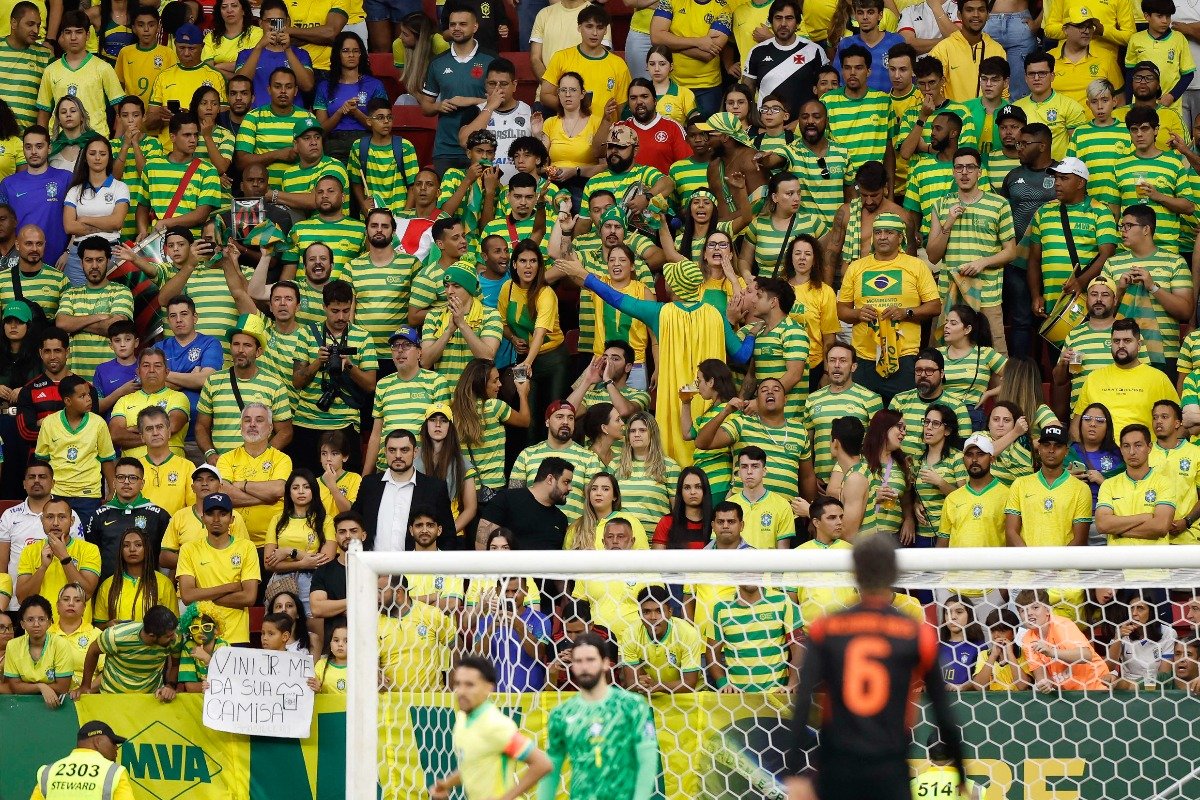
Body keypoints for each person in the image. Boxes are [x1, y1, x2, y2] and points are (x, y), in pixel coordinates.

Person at [785, 535, 965, 800]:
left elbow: (803, 700)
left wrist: (794, 772)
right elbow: (942, 710)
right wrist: (960, 771)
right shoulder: (915, 633)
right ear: (894, 573)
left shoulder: (827, 627)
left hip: (838, 765)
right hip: (889, 764)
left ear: (854, 573)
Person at [537, 632, 658, 800]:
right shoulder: (561, 714)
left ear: (606, 663)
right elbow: (551, 769)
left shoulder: (632, 706)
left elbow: (647, 759)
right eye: (578, 661)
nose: (584, 666)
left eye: (591, 660)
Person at [835, 213, 940, 403]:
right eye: (878, 232)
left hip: (904, 356)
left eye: (889, 232)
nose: (882, 237)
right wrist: (857, 314)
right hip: (864, 356)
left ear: (900, 237)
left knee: (903, 416)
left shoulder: (916, 266)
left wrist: (907, 312)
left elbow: (935, 306)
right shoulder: (856, 267)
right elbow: (841, 310)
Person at [430, 656, 553, 800]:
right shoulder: (462, 718)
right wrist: (446, 784)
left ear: (489, 688)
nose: (461, 691)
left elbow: (542, 764)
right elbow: (473, 764)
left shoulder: (496, 725)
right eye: (458, 683)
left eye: (469, 685)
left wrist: (506, 798)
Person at [290, 280, 376, 474]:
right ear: (324, 307)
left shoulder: (363, 337)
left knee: (345, 486)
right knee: (306, 484)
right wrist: (317, 362)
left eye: (346, 310)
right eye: (335, 311)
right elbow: (297, 382)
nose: (341, 317)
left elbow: (370, 386)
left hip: (345, 423)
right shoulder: (307, 333)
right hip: (307, 422)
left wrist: (350, 367)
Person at [1027, 156, 1120, 323]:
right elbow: (1033, 259)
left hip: (1086, 301)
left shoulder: (1100, 211)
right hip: (1052, 304)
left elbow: (1107, 255)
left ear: (1080, 183)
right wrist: (1036, 296)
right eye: (1055, 178)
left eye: (1064, 178)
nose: (1057, 183)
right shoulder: (1043, 211)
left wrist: (1080, 282)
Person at [1103, 204, 1192, 372]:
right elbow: (1102, 314)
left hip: (1166, 354)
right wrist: (1120, 290)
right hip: (1122, 354)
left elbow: (1186, 311)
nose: (1122, 231)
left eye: (1128, 226)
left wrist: (1153, 287)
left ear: (1146, 229)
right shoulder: (1112, 263)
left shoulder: (1174, 262)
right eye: (1121, 226)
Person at [196, 313, 293, 459]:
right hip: (222, 465)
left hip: (258, 468)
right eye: (236, 344)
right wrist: (210, 454)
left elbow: (285, 432)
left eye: (247, 345)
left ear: (258, 351)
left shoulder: (275, 386)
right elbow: (201, 426)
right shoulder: (213, 382)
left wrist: (263, 457)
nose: (240, 350)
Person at [176, 492, 261, 645]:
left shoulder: (247, 547)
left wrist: (202, 595)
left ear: (232, 519)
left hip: (237, 638)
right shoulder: (189, 549)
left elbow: (249, 597)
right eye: (210, 514)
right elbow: (187, 596)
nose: (216, 519)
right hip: (201, 635)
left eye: (222, 514)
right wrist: (231, 587)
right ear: (203, 519)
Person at [351, 428, 456, 552]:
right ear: (385, 452)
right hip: (373, 567)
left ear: (415, 452)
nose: (398, 455)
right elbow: (355, 524)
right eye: (392, 450)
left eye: (404, 450)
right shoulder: (369, 484)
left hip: (415, 568)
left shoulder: (434, 488)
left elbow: (448, 535)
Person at [417, 4, 493, 173]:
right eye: (452, 24)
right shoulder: (437, 63)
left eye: (462, 24)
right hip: (446, 148)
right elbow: (425, 106)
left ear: (475, 26)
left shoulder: (491, 59)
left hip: (482, 147)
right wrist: (438, 106)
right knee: (447, 198)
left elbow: (502, 100)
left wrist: (468, 101)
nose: (456, 28)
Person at [1073, 319, 1180, 436]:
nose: (1121, 345)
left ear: (1139, 345)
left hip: (1145, 451)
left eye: (1127, 341)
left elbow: (1179, 425)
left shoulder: (1159, 379)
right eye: (1116, 341)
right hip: (1101, 452)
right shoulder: (1094, 378)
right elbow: (1075, 428)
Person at [366, 326, 451, 472]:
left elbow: (443, 431)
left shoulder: (436, 381)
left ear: (419, 352)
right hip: (386, 468)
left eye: (407, 345)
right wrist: (365, 476)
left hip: (423, 468)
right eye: (395, 346)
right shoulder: (383, 384)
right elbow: (376, 435)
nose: (400, 350)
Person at [801, 344, 884, 488]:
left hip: (857, 481)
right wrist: (812, 478)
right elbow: (807, 444)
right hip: (821, 483)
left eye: (843, 361)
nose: (837, 365)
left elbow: (879, 444)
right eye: (832, 360)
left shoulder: (870, 398)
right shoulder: (812, 399)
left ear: (853, 366)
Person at [215, 402, 292, 549]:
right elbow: (224, 494)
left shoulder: (282, 459)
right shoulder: (226, 458)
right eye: (247, 420)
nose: (252, 424)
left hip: (272, 544)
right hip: (233, 543)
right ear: (241, 426)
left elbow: (278, 489)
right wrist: (267, 498)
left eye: (259, 420)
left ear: (270, 428)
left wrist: (241, 485)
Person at [1004, 424, 1094, 546]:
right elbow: (1011, 532)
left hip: (1064, 564)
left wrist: (1057, 564)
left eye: (1058, 446)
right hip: (1027, 563)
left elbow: (1080, 539)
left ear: (1066, 451)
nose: (1051, 450)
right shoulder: (1020, 484)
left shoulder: (1081, 489)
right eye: (1046, 445)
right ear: (1039, 448)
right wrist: (1030, 561)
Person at [86, 458, 169, 579]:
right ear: (113, 482)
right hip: (107, 589)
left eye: (133, 478)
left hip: (147, 588)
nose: (126, 482)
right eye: (121, 477)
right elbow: (90, 556)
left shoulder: (159, 516)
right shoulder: (99, 515)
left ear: (142, 484)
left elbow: (165, 560)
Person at [1095, 423, 1177, 546]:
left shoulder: (1164, 483)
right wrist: (1145, 517)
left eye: (1138, 445)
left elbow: (1160, 527)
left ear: (1149, 447)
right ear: (1121, 449)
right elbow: (1102, 525)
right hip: (1118, 562)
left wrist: (1118, 531)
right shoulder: (1109, 484)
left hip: (1154, 562)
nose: (1132, 452)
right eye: (1126, 446)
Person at [1016, 588, 1114, 690]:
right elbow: (1042, 677)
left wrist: (1052, 652)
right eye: (1023, 610)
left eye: (1035, 607)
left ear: (1048, 610)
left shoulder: (1062, 625)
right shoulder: (1027, 639)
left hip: (1096, 687)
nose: (1029, 613)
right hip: (1069, 695)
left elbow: (1086, 655)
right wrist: (1046, 684)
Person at [0, 127, 71, 265]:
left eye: (39, 146)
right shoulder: (8, 184)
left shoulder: (65, 178)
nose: (33, 152)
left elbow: (78, 218)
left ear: (49, 148)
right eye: (28, 147)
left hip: (59, 262)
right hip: (19, 263)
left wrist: (69, 252)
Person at [743, 0, 826, 118]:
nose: (783, 23)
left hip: (804, 128)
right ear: (770, 21)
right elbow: (746, 93)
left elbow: (825, 93)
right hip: (767, 128)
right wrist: (756, 123)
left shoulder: (814, 51)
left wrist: (800, 123)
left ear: (798, 22)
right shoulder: (757, 52)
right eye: (778, 18)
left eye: (789, 18)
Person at [77, 603, 177, 697]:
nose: (174, 637)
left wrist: (170, 686)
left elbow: (175, 665)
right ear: (152, 636)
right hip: (113, 696)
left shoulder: (174, 638)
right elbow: (93, 651)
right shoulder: (115, 635)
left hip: (150, 697)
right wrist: (85, 686)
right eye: (169, 636)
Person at [107, 348, 190, 460]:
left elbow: (173, 426)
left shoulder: (178, 397)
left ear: (167, 372)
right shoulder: (124, 400)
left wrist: (134, 430)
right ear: (138, 372)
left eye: (158, 366)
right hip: (132, 470)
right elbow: (115, 435)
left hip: (171, 469)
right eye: (146, 366)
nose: (152, 370)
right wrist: (157, 433)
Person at [889, 349, 972, 458]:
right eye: (918, 370)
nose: (923, 375)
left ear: (942, 373)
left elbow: (963, 448)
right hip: (899, 465)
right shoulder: (899, 400)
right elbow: (886, 437)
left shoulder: (957, 407)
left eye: (929, 370)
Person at [478, 457, 573, 550]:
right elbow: (482, 544)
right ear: (550, 479)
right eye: (566, 482)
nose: (570, 488)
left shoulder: (561, 519)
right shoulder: (506, 499)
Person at [1054, 276, 1119, 411]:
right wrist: (1062, 363)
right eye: (1094, 294)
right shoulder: (1074, 334)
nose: (1099, 299)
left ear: (1115, 300)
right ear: (1086, 299)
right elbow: (1059, 381)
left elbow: (1141, 372)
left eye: (1105, 295)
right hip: (1081, 414)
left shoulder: (1125, 332)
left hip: (1118, 410)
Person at [29, 721, 136, 800]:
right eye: (113, 742)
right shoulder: (114, 772)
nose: (116, 748)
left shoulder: (48, 772)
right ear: (98, 741)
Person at [93, 527, 176, 627]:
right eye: (126, 545)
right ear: (121, 550)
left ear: (147, 549)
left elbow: (174, 625)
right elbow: (98, 626)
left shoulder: (164, 583)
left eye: (138, 545)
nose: (132, 549)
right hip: (118, 641)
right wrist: (108, 626)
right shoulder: (108, 585)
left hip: (152, 643)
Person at [938, 432, 1006, 548]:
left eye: (980, 454)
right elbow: (942, 544)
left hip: (993, 565)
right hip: (958, 566)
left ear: (992, 459)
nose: (974, 459)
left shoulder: (1006, 495)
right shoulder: (952, 498)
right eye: (969, 455)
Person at [4, 594, 73, 706]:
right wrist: (41, 687)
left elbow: (62, 687)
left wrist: (26, 686)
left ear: (50, 622)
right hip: (22, 703)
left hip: (56, 704)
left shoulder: (61, 645)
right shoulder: (13, 645)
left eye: (41, 619)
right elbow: (14, 686)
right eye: (30, 619)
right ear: (22, 624)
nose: (36, 624)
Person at [652, 467, 713, 550]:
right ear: (680, 492)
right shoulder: (667, 522)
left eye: (698, 487)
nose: (693, 492)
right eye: (687, 487)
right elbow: (657, 560)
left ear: (705, 490)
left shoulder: (716, 522)